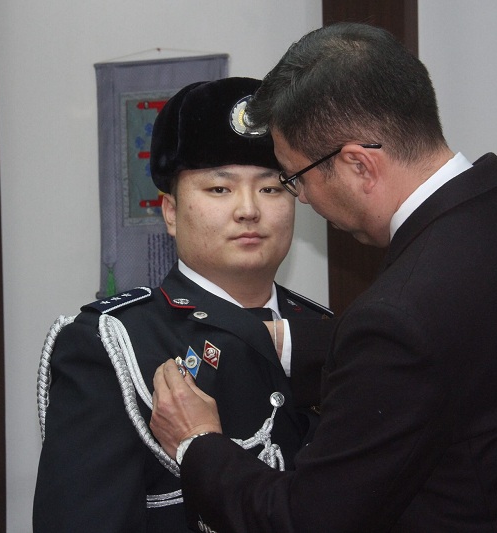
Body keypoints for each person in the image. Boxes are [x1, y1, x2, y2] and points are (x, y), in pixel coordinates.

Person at [149, 23, 497, 532]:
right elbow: (473, 352)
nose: (303, 199)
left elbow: (305, 520)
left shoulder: (399, 317)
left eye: (293, 179)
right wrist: (286, 343)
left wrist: (197, 443)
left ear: (358, 165)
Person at [32, 77, 333, 533]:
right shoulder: (114, 343)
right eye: (219, 189)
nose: (248, 210)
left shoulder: (322, 330)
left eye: (272, 189)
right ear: (170, 211)